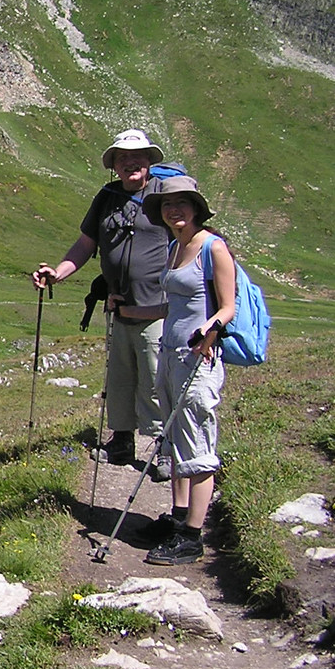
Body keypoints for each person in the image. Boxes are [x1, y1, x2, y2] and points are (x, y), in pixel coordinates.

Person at [32, 128, 172, 482]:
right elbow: (85, 244)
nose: (130, 163)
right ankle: (122, 441)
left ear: (149, 160)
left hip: (158, 308)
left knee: (156, 379)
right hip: (118, 308)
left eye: (137, 157)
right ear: (114, 165)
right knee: (119, 379)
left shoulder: (166, 196)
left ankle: (165, 448)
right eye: (122, 158)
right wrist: (58, 273)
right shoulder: (106, 197)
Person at [140, 176, 235, 565]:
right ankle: (179, 518)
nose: (173, 210)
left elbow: (228, 307)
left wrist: (209, 331)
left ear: (196, 208)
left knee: (196, 443)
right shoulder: (175, 247)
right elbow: (171, 307)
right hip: (170, 356)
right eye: (167, 204)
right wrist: (126, 309)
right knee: (174, 437)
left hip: (198, 359)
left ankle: (193, 537)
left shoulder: (213, 248)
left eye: (181, 203)